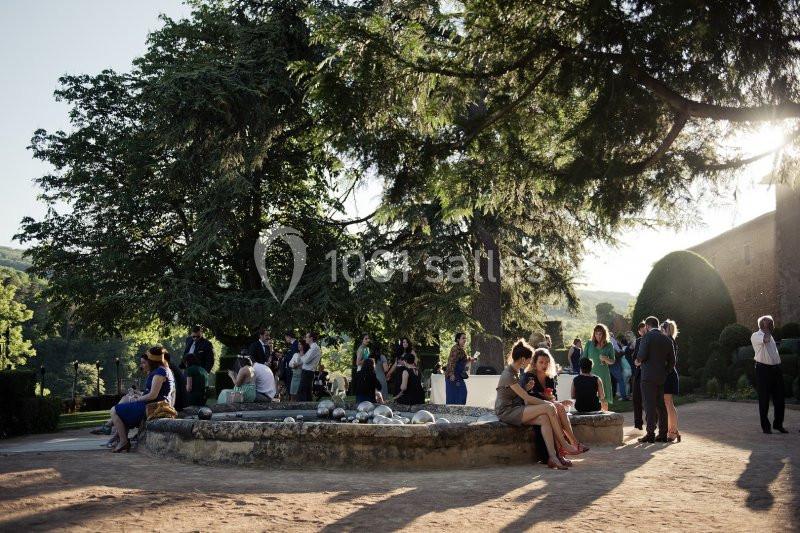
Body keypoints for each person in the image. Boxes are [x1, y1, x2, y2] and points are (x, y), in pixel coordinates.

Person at [494, 340, 584, 470]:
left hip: (517, 408)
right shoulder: (508, 374)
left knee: (545, 418)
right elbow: (526, 398)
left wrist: (525, 387)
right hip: (507, 411)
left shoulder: (516, 372)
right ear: (523, 359)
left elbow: (517, 393)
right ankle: (564, 444)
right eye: (530, 359)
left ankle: (553, 457)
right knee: (549, 407)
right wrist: (548, 402)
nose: (530, 362)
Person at [109, 346, 174, 453]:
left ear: (152, 360)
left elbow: (153, 395)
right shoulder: (162, 370)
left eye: (148, 358)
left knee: (114, 410)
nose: (146, 360)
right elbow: (152, 393)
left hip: (153, 407)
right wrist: (138, 395)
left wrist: (137, 399)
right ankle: (119, 438)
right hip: (151, 404)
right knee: (123, 404)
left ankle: (123, 441)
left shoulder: (160, 372)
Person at [521, 348, 581, 450]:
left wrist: (557, 400)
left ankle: (573, 443)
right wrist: (550, 399)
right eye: (541, 362)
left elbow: (554, 397)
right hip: (532, 407)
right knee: (557, 408)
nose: (544, 365)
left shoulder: (549, 378)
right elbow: (530, 397)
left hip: (548, 406)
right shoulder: (529, 376)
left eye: (547, 363)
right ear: (534, 363)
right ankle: (565, 445)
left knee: (560, 407)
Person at [636, 316, 675, 443]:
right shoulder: (666, 339)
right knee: (661, 405)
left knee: (649, 405)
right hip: (661, 377)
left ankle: (650, 434)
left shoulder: (646, 337)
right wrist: (666, 372)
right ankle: (663, 434)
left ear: (647, 326)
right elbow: (672, 361)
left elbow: (641, 356)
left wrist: (637, 362)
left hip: (647, 376)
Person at [751, 315, 787, 434]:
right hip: (763, 370)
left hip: (776, 369)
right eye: (767, 322)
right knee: (764, 399)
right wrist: (766, 329)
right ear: (761, 324)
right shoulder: (756, 335)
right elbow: (765, 340)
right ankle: (766, 427)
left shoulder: (770, 336)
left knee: (780, 399)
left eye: (770, 323)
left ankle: (778, 424)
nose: (770, 324)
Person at [584, 324, 615, 407]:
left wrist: (605, 359)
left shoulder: (609, 345)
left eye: (600, 334)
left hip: (603, 375)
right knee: (591, 399)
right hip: (591, 374)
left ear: (604, 334)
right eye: (596, 333)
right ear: (594, 334)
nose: (598, 336)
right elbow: (583, 359)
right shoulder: (589, 344)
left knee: (604, 399)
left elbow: (612, 361)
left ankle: (605, 418)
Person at [661, 320, 681, 442]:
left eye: (662, 328)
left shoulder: (669, 341)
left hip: (669, 374)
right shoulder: (669, 341)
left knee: (668, 403)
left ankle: (672, 431)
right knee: (667, 403)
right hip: (667, 374)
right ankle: (672, 430)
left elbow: (669, 361)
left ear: (667, 329)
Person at [446, 332, 472, 405]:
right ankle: (451, 414)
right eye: (463, 338)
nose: (465, 340)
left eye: (465, 338)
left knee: (462, 394)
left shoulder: (461, 349)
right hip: (453, 376)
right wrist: (451, 374)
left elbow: (464, 359)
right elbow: (451, 361)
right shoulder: (455, 348)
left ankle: (459, 412)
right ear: (458, 339)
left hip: (458, 375)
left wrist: (471, 359)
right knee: (454, 396)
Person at [631, 321, 646, 429]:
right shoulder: (639, 341)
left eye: (644, 328)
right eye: (641, 330)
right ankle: (638, 424)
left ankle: (652, 424)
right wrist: (636, 362)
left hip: (648, 374)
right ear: (639, 332)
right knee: (636, 399)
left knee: (649, 401)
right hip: (638, 373)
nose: (643, 331)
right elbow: (634, 357)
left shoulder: (653, 340)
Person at [298, 332, 322, 401]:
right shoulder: (312, 348)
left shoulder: (314, 348)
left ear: (311, 338)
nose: (305, 339)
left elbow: (305, 360)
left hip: (308, 372)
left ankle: (305, 408)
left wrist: (302, 355)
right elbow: (305, 359)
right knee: (305, 392)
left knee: (303, 392)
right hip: (307, 372)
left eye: (306, 337)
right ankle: (307, 408)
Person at [279, 331, 299, 398]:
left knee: (291, 385)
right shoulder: (293, 345)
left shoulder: (296, 344)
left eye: (286, 338)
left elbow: (293, 357)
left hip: (293, 368)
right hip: (290, 367)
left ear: (289, 337)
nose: (285, 339)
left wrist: (285, 357)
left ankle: (290, 399)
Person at [609, 333, 627, 401]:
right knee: (620, 380)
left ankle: (611, 395)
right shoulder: (613, 341)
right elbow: (618, 350)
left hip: (609, 362)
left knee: (610, 381)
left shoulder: (607, 341)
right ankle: (623, 396)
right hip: (615, 361)